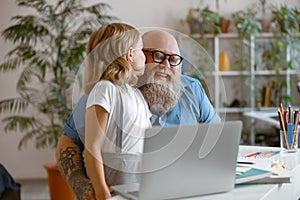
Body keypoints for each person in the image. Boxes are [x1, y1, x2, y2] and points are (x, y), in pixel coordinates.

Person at [56, 29, 220, 200]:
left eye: (173, 59)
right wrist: (83, 186)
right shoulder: (110, 90)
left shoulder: (193, 89)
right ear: (133, 55)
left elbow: (216, 138)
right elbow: (68, 141)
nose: (166, 65)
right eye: (157, 55)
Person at [79, 23, 152, 200]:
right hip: (115, 179)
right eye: (141, 50)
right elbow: (92, 146)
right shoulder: (105, 89)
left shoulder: (135, 94)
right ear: (129, 54)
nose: (145, 57)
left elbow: (150, 138)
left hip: (138, 176)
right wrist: (102, 190)